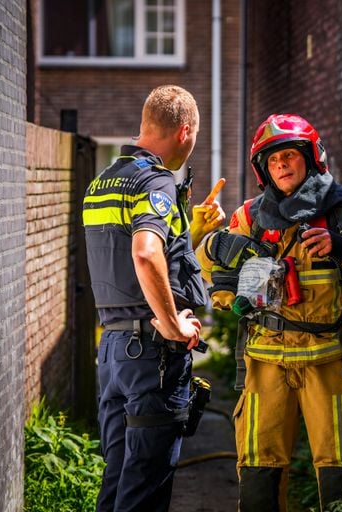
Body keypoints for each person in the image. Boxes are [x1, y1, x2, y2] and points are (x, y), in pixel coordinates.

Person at [196, 113, 342, 510]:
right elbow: (199, 267)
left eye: (289, 154)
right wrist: (214, 246)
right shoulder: (249, 219)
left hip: (331, 363)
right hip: (265, 365)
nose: (281, 164)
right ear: (263, 169)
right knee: (259, 477)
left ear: (312, 158)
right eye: (272, 159)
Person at [83, 84, 225, 511]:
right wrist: (174, 322)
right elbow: (145, 254)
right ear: (184, 132)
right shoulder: (156, 179)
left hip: (112, 352)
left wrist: (190, 230)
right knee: (145, 487)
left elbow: (134, 261)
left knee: (120, 475)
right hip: (151, 355)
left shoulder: (104, 181)